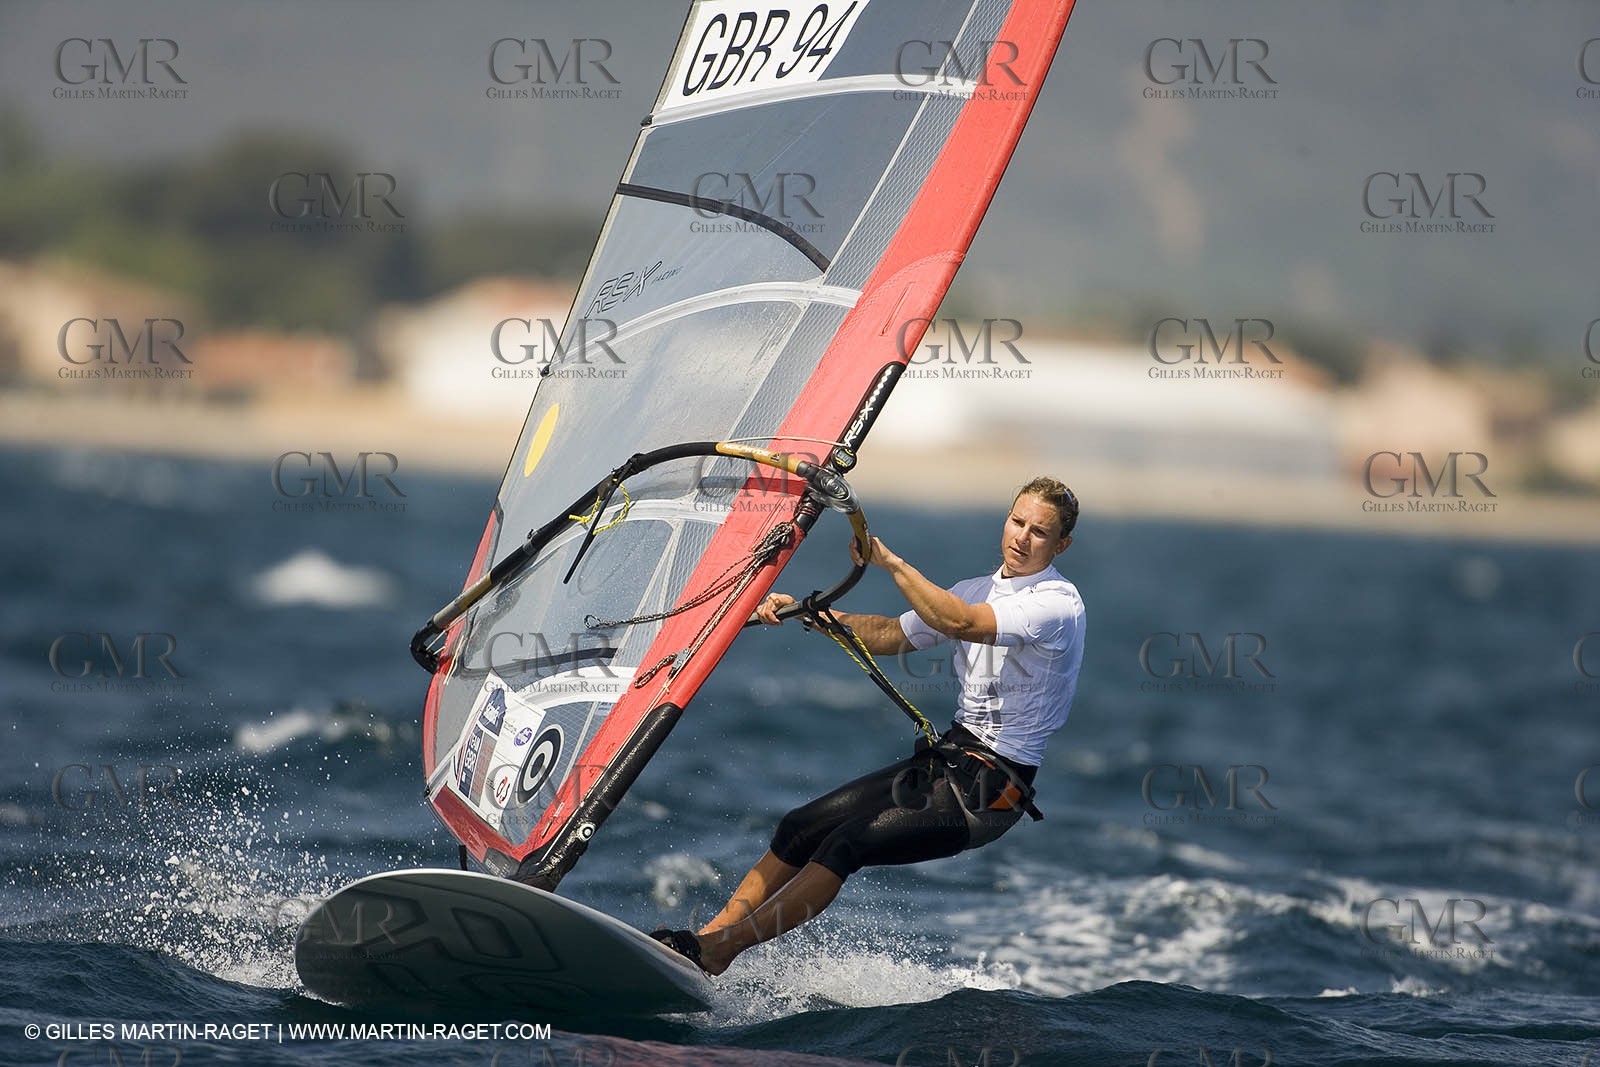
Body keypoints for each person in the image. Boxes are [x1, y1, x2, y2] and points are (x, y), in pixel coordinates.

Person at [650, 476, 1086, 975]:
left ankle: (720, 952)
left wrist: (892, 563)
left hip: (989, 791)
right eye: (1017, 521)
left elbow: (962, 623)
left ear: (1061, 545)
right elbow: (889, 634)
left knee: (847, 843)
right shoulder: (976, 589)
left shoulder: (1056, 603)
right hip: (949, 760)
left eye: (1040, 532)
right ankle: (699, 945)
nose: (1022, 537)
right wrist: (805, 612)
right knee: (801, 826)